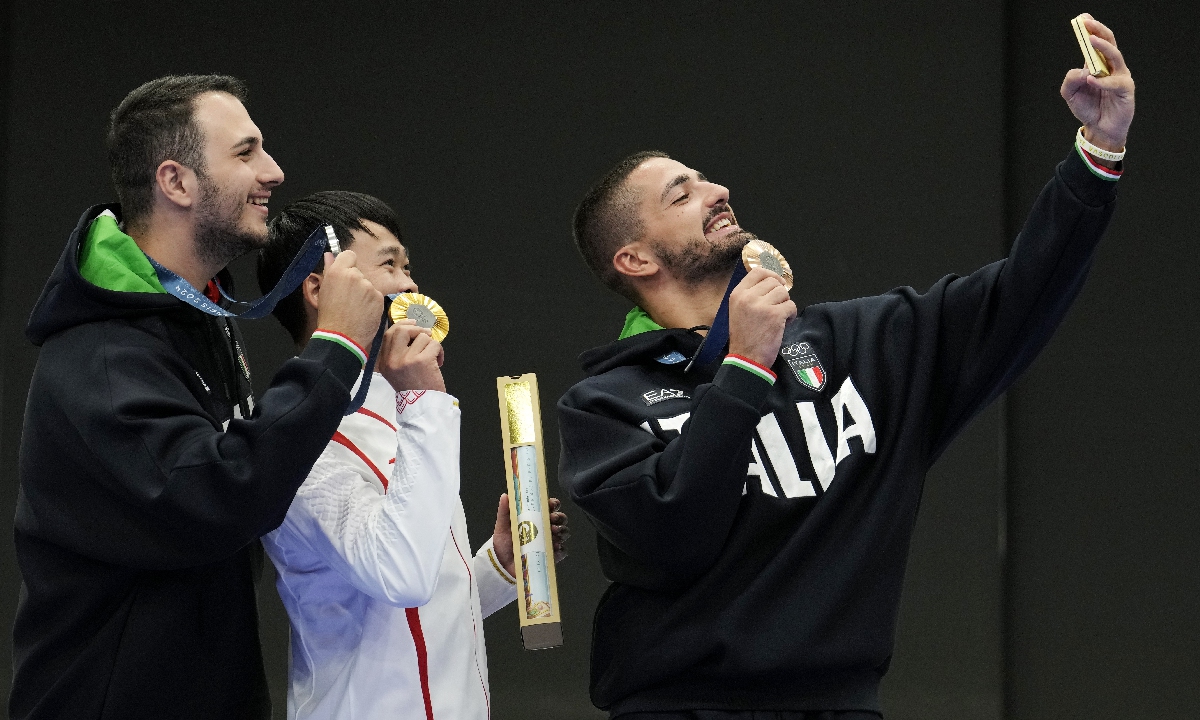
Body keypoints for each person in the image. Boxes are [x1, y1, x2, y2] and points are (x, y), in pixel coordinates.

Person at [557, 15, 1133, 719]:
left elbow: (1017, 298)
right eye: (681, 194)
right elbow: (672, 541)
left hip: (841, 704)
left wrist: (1097, 153)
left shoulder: (861, 341)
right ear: (636, 259)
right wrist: (742, 367)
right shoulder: (603, 405)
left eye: (706, 180)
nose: (716, 192)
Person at [11, 76, 397, 720]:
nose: (273, 171)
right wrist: (334, 348)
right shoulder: (103, 356)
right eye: (245, 153)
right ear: (177, 182)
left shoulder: (199, 320)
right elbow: (220, 497)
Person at [256, 191, 569, 720]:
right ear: (320, 288)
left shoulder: (399, 418)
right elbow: (401, 575)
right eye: (389, 264)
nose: (411, 285)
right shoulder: (299, 434)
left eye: (408, 266)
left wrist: (496, 568)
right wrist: (426, 400)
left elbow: (412, 608)